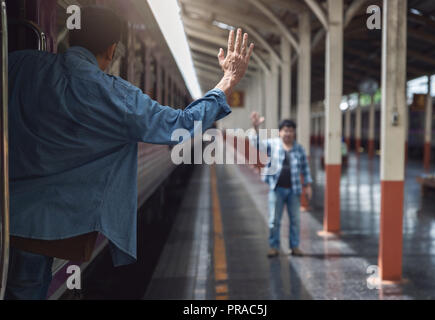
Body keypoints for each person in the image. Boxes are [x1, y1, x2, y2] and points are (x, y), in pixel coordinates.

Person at [5, 6, 254, 300]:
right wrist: (227, 82)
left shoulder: (17, 65)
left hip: (7, 213)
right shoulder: (115, 94)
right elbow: (179, 125)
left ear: (71, 37)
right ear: (112, 50)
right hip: (51, 227)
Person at [249, 112, 313, 258]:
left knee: (295, 221)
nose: (288, 133)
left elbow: (305, 168)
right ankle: (274, 247)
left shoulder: (299, 149)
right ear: (280, 132)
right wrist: (255, 127)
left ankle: (295, 246)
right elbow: (256, 143)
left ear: (294, 132)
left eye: (290, 131)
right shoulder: (272, 145)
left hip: (294, 190)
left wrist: (308, 185)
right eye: (285, 130)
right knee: (273, 221)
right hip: (276, 189)